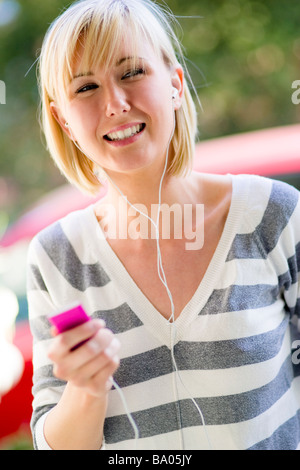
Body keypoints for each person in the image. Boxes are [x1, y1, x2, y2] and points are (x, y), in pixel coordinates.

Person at [27, 0, 300, 451]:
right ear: (64, 122)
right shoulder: (57, 257)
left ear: (174, 85)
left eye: (131, 72)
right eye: (86, 87)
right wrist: (86, 389)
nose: (115, 104)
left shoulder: (273, 215)